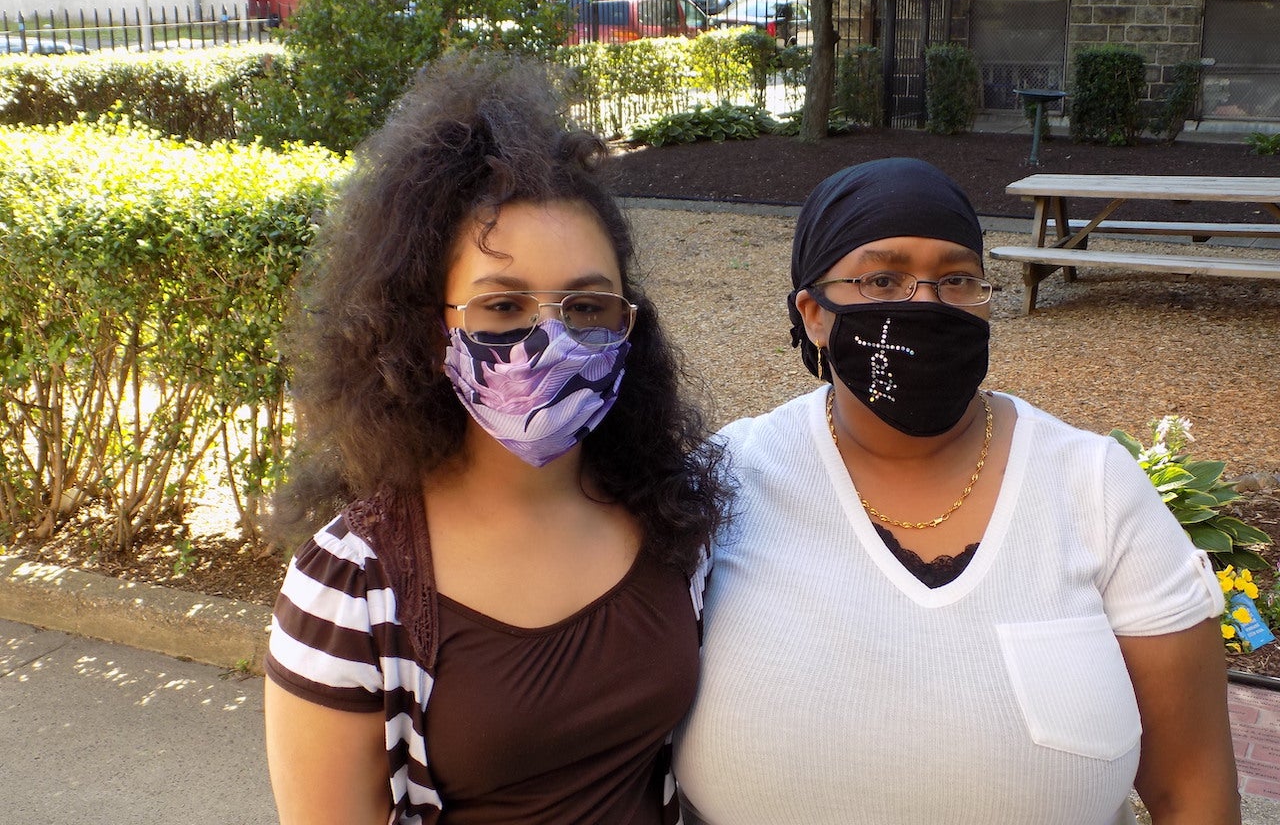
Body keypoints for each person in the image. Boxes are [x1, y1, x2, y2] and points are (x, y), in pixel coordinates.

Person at [674, 157, 1240, 825]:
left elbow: (1192, 787)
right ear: (814, 314)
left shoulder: (1095, 487)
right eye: (882, 278)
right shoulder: (725, 482)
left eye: (956, 280)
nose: (925, 304)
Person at [262, 54, 728, 825]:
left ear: (629, 326)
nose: (550, 341)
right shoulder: (350, 586)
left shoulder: (675, 522)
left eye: (586, 307)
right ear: (422, 327)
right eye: (503, 307)